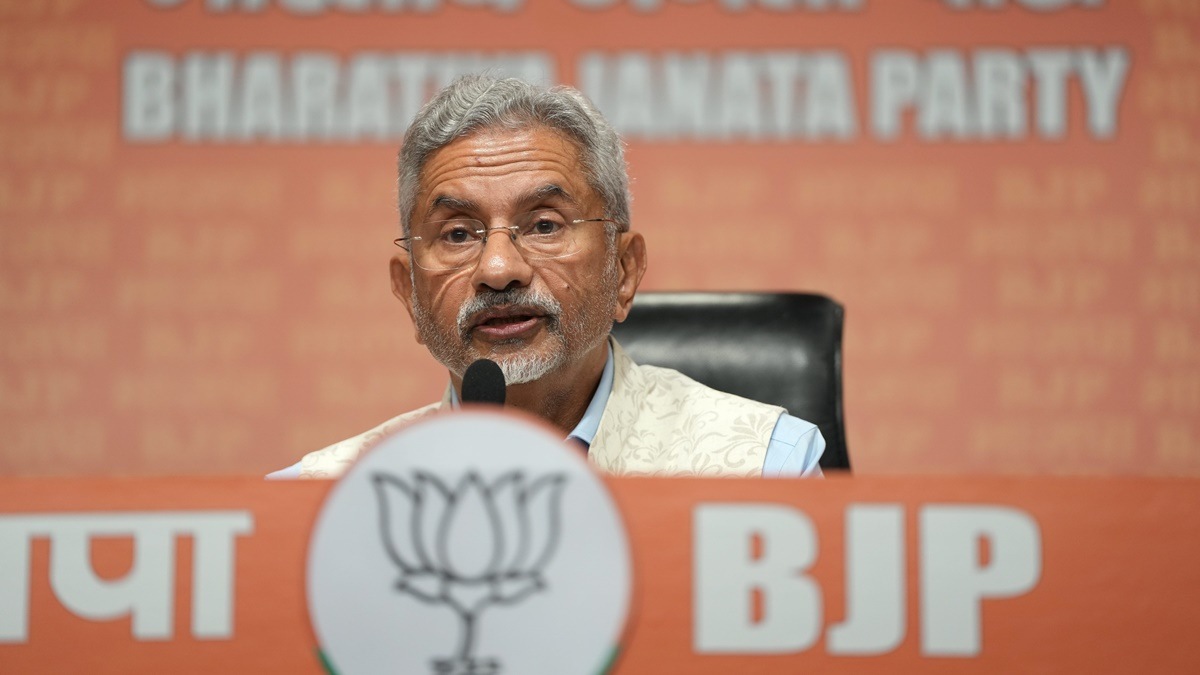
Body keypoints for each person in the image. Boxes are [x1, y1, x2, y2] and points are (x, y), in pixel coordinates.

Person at [272, 74, 823, 479]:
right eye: (458, 234)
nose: (498, 270)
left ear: (624, 271)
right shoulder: (319, 504)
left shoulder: (767, 471)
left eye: (543, 225)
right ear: (409, 294)